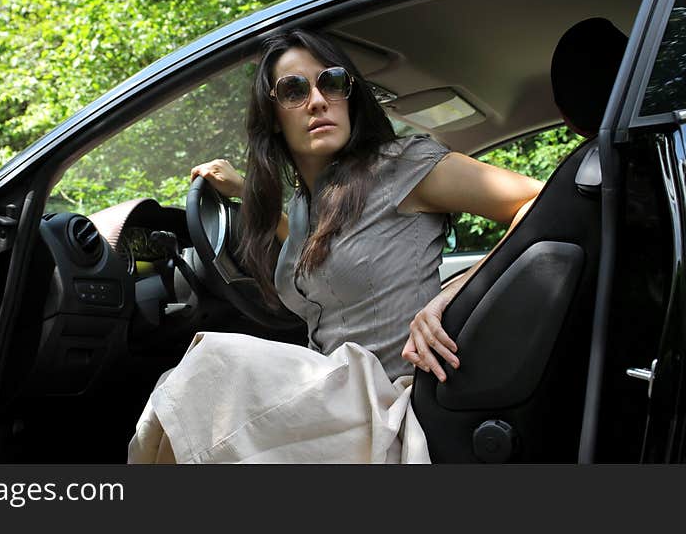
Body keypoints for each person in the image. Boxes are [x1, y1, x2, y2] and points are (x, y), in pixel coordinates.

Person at [128, 29, 542, 463]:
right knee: (179, 391)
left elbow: (542, 201)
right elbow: (318, 253)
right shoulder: (309, 203)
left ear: (350, 96)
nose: (318, 100)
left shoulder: (403, 165)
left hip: (390, 403)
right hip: (327, 395)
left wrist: (454, 294)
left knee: (209, 365)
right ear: (272, 116)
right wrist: (248, 193)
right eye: (294, 90)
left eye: (331, 82)